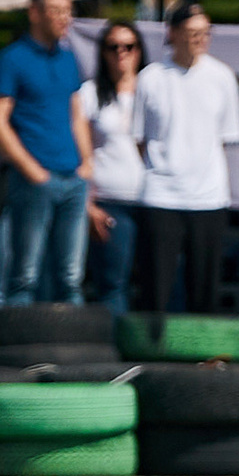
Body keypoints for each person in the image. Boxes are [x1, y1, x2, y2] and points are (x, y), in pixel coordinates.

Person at [0, 0, 93, 307]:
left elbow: (76, 113)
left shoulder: (68, 58)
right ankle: (21, 349)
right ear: (35, 13)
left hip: (72, 178)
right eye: (56, 11)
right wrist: (29, 168)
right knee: (25, 275)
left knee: (71, 277)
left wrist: (86, 162)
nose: (64, 19)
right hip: (35, 179)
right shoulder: (13, 58)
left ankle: (71, 346)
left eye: (68, 12)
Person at [134, 2, 239, 312]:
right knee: (156, 286)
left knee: (205, 287)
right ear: (173, 33)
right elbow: (139, 139)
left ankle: (203, 356)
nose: (201, 39)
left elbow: (226, 138)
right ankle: (152, 351)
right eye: (193, 33)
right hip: (161, 196)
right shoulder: (151, 77)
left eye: (205, 33)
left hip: (208, 197)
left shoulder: (222, 76)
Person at [78, 20, 145, 317]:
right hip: (110, 201)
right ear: (102, 53)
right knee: (113, 283)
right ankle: (118, 352)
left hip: (156, 200)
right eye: (113, 47)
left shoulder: (154, 89)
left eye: (128, 46)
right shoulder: (90, 94)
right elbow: (82, 156)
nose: (121, 53)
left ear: (139, 51)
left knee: (158, 283)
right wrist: (88, 205)